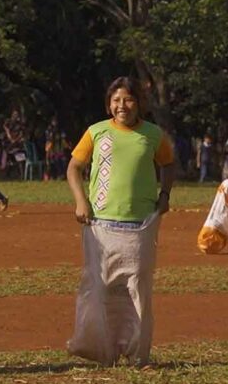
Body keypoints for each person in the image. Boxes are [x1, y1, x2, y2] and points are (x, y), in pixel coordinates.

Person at [66, 76, 175, 367]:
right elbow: (74, 167)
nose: (122, 106)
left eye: (128, 99)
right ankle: (101, 348)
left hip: (139, 226)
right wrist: (81, 201)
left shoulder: (153, 134)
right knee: (100, 288)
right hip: (100, 224)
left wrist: (165, 194)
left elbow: (168, 163)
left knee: (137, 290)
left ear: (138, 103)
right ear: (108, 104)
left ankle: (138, 354)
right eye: (116, 100)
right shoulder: (96, 132)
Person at [44, 115, 70, 180]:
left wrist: (68, 146)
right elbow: (48, 144)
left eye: (56, 121)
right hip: (51, 151)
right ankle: (52, 176)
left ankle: (61, 175)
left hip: (59, 151)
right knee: (52, 162)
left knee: (63, 160)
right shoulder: (49, 130)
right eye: (54, 121)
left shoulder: (60, 131)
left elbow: (64, 141)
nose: (55, 123)